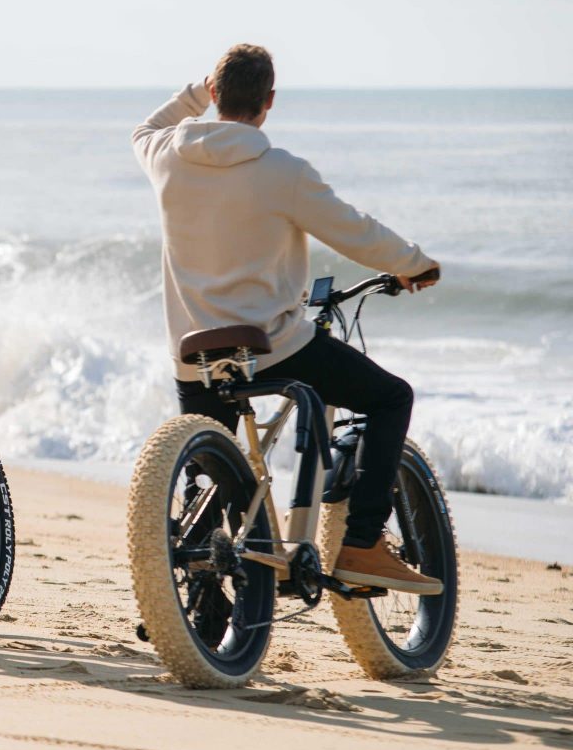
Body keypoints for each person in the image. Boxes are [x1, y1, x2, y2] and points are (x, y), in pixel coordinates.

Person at [131, 44, 442, 595]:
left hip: (193, 352)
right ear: (269, 101)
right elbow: (356, 231)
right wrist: (414, 265)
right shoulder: (283, 172)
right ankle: (363, 545)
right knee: (391, 397)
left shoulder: (167, 156)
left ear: (215, 94)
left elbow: (145, 128)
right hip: (275, 346)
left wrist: (197, 92)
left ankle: (192, 598)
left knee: (209, 478)